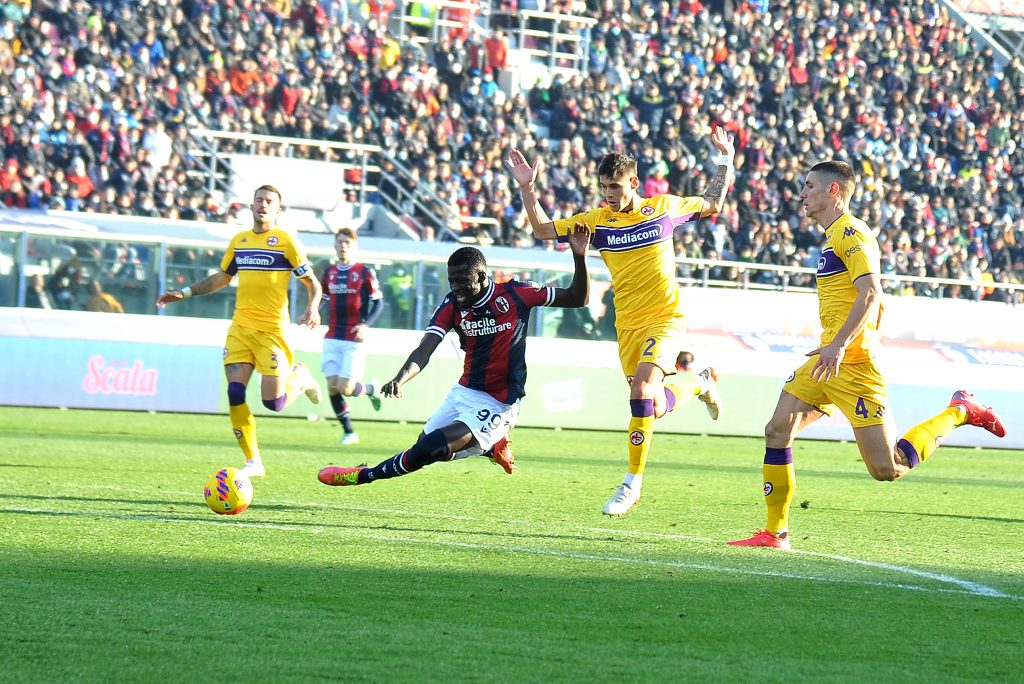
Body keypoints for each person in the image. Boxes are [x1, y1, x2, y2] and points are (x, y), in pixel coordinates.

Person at [728, 161, 1006, 551]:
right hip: (826, 361)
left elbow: (871, 291)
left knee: (887, 468)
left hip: (853, 364)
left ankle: (960, 411)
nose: (802, 194)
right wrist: (837, 342)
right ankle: (776, 533)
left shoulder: (851, 232)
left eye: (809, 186)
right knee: (777, 430)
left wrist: (842, 343)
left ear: (833, 191)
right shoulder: (832, 237)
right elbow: (872, 299)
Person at [505, 127, 736, 516]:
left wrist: (725, 159)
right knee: (652, 404)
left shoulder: (664, 208)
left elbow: (713, 202)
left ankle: (631, 484)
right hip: (627, 326)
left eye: (615, 185)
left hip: (665, 318)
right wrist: (528, 188)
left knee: (642, 390)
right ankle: (700, 382)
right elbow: (542, 229)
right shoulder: (596, 221)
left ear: (634, 183)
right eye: (604, 186)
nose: (609, 193)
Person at [317, 225, 592, 488]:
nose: (456, 287)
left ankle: (362, 475)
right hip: (465, 391)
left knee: (428, 448)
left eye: (462, 281)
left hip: (500, 402)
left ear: (482, 276)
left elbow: (577, 298)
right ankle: (491, 446)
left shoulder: (516, 294)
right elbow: (424, 349)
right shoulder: (452, 304)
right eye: (451, 281)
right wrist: (400, 379)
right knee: (423, 447)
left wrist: (580, 258)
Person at [156, 185, 323, 478]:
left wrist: (313, 307)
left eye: (269, 202)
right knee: (235, 391)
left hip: (272, 331)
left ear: (277, 210)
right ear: (251, 205)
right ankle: (252, 461)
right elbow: (222, 278)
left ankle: (300, 378)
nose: (263, 205)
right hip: (240, 328)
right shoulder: (239, 241)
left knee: (274, 403)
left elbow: (313, 284)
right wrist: (185, 292)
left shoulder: (287, 243)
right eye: (259, 200)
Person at [319, 227, 385, 445]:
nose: (343, 246)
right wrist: (312, 312)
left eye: (347, 242)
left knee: (345, 388)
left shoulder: (364, 272)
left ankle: (371, 389)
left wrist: (366, 325)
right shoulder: (329, 273)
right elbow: (322, 299)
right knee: (332, 386)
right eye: (340, 242)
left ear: (354, 246)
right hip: (332, 336)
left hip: (354, 338)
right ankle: (349, 432)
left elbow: (379, 303)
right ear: (334, 245)